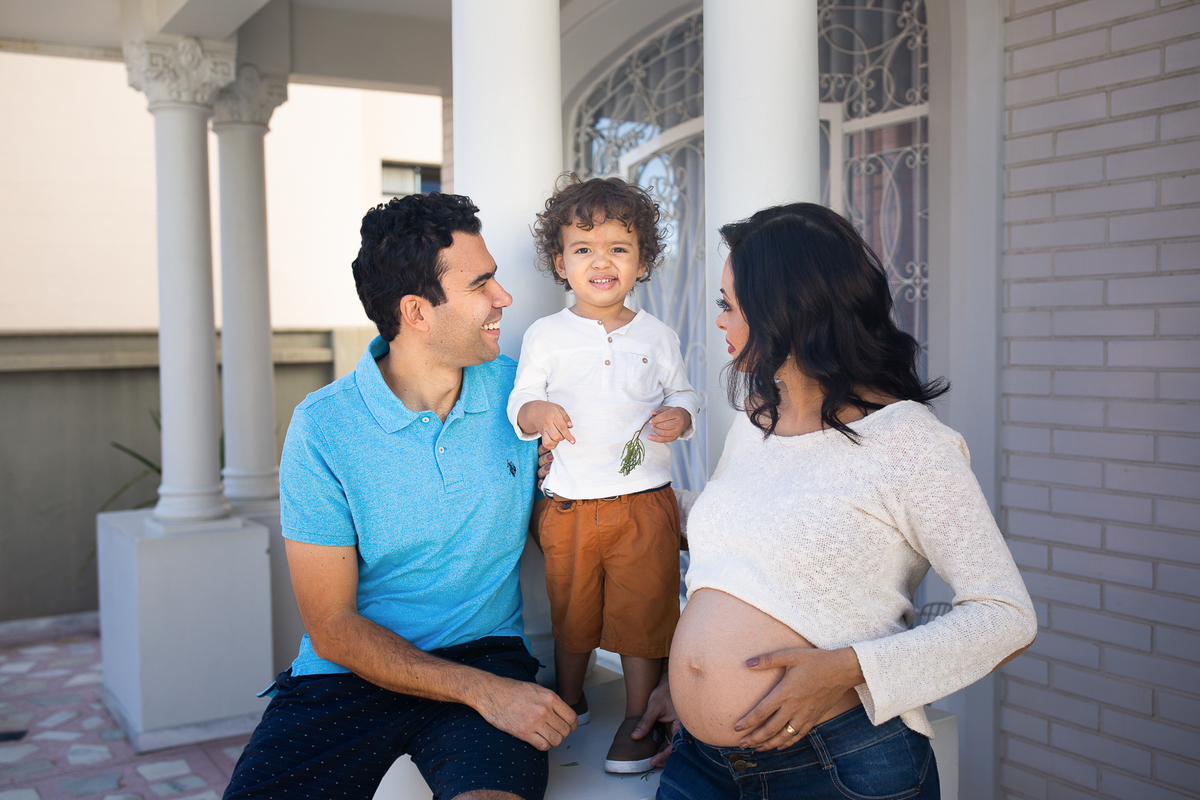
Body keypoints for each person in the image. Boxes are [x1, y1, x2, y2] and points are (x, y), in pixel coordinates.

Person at [629, 202, 1037, 799]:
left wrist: (848, 669)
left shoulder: (910, 443)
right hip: (700, 763)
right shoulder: (755, 423)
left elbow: (1006, 616)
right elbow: (741, 541)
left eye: (729, 304)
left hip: (837, 764)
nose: (719, 321)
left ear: (789, 310)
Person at [223, 193, 576, 800]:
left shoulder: (522, 396)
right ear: (417, 311)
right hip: (350, 671)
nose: (504, 298)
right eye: (482, 283)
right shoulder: (324, 427)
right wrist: (482, 693)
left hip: (486, 650)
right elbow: (332, 627)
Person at [507, 175, 699, 773]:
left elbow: (685, 394)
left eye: (619, 247)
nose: (602, 262)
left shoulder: (658, 336)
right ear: (560, 263)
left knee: (645, 612)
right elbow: (520, 404)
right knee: (573, 609)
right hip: (568, 504)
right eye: (583, 249)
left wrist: (680, 416)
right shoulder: (546, 335)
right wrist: (537, 413)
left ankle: (640, 719)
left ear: (642, 261)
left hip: (644, 501)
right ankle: (570, 695)